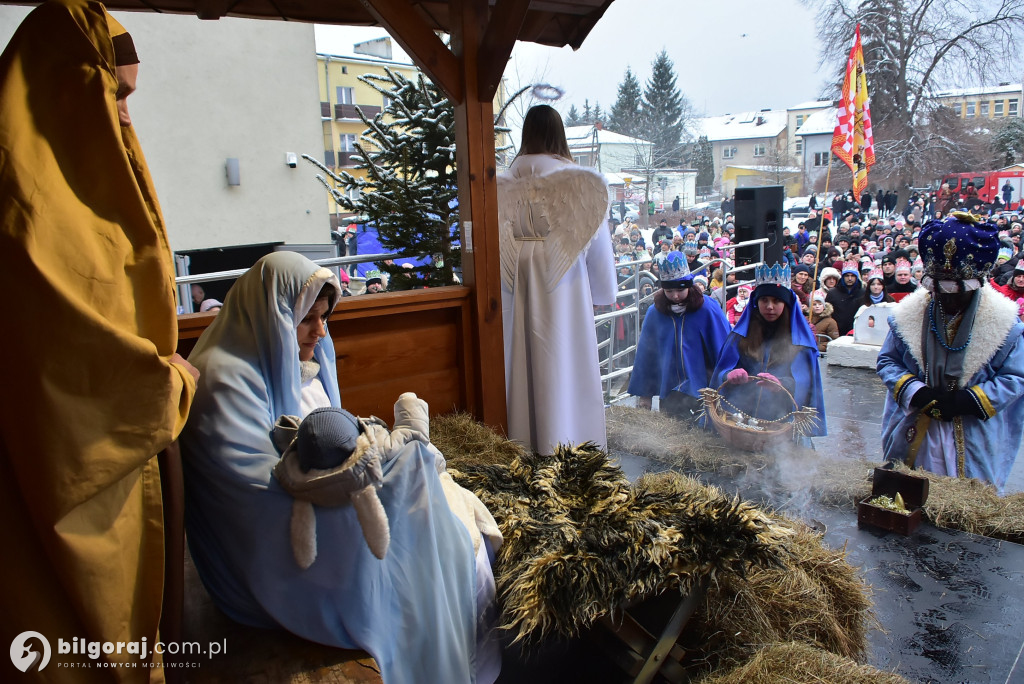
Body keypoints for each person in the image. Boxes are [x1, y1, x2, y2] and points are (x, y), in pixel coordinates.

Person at [180, 252, 501, 684]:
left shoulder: (292, 358)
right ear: (273, 316)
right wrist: (391, 470)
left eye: (325, 316)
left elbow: (332, 436)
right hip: (267, 551)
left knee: (437, 500)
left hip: (309, 500)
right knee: (421, 490)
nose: (321, 330)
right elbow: (254, 496)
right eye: (306, 318)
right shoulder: (226, 380)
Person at [0, 0, 198, 673]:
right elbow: (69, 375)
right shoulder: (23, 209)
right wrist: (169, 382)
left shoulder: (84, 186)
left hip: (124, 476)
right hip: (65, 499)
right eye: (115, 92)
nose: (124, 116)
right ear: (64, 83)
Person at [498, 105, 616, 454]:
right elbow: (598, 242)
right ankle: (565, 439)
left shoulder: (503, 183)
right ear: (559, 134)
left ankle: (524, 438)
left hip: (515, 275)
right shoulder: (579, 181)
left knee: (520, 355)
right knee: (563, 355)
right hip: (562, 278)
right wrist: (602, 290)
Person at [877, 213, 1024, 491]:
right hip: (914, 427)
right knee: (903, 498)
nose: (946, 296)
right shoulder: (907, 316)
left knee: (964, 513)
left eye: (957, 288)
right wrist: (916, 391)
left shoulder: (1006, 326)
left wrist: (968, 401)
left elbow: (1015, 378)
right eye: (938, 287)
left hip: (973, 436)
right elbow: (888, 361)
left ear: (978, 282)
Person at [711, 263, 826, 437]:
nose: (770, 306)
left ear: (786, 304)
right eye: (764, 300)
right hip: (738, 419)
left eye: (777, 300)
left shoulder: (801, 343)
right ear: (756, 302)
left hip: (780, 422)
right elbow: (721, 372)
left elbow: (806, 385)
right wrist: (729, 375)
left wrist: (781, 384)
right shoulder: (740, 336)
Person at [627, 252, 730, 421]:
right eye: (669, 290)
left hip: (705, 392)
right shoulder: (655, 313)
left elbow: (724, 349)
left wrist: (725, 386)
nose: (675, 295)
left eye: (680, 289)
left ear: (689, 286)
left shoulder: (708, 309)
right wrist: (644, 395)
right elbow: (647, 356)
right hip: (669, 392)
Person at [825, 260, 865, 335]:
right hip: (837, 332)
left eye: (852, 276)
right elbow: (827, 314)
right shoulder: (832, 293)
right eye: (847, 276)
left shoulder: (863, 293)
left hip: (857, 331)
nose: (850, 278)